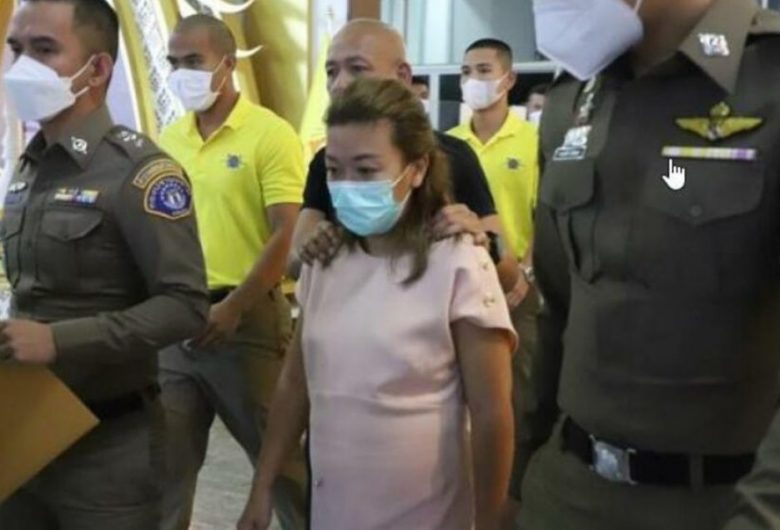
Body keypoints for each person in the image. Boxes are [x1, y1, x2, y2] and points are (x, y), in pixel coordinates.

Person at [518, 0, 780, 529]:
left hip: (717, 507)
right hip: (562, 494)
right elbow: (555, 309)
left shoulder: (768, 80)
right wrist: (517, 477)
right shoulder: (573, 98)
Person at [237, 77, 516, 530]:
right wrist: (263, 484)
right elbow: (295, 383)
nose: (347, 186)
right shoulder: (326, 260)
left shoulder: (459, 262)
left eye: (366, 171)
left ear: (417, 169)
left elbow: (492, 414)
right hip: (336, 506)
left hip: (427, 512)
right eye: (334, 170)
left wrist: (488, 522)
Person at [0, 0, 210, 528]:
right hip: (23, 429)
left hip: (108, 447)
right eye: (16, 50)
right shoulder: (28, 167)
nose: (22, 67)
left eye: (44, 50)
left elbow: (185, 306)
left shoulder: (139, 173)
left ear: (96, 69)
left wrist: (59, 341)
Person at [159, 14, 307, 530]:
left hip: (247, 322)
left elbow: (285, 234)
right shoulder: (169, 139)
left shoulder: (269, 134)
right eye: (173, 63)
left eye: (193, 61)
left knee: (278, 459)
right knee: (168, 465)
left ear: (227, 63)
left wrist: (235, 307)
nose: (181, 73)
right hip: (178, 323)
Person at [288, 19, 521, 297]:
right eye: (331, 71)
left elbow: (508, 276)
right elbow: (294, 264)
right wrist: (311, 249)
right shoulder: (325, 161)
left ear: (402, 75)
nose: (340, 84)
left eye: (357, 69)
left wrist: (482, 243)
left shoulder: (454, 156)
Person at [447, 37, 540, 505]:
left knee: (514, 406)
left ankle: (508, 504)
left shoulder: (534, 142)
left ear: (508, 78)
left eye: (483, 70)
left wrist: (525, 275)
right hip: (460, 290)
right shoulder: (448, 145)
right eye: (466, 72)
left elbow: (547, 214)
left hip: (517, 291)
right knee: (457, 407)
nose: (473, 80)